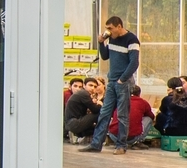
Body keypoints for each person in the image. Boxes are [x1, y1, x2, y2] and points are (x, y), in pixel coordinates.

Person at [79, 16, 140, 155]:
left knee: (122, 115)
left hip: (122, 82)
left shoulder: (131, 40)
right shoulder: (112, 38)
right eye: (107, 28)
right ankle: (96, 144)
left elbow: (134, 63)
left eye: (110, 28)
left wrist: (122, 79)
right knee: (104, 113)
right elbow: (105, 56)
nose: (108, 31)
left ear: (119, 26)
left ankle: (121, 145)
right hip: (112, 81)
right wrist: (101, 43)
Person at [107, 85, 154, 150]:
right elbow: (151, 116)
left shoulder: (120, 100)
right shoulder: (143, 102)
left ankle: (116, 141)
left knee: (111, 118)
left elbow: (111, 114)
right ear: (139, 94)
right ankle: (138, 142)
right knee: (148, 119)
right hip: (133, 138)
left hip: (114, 136)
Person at [64, 77, 102, 144]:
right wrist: (100, 104)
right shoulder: (84, 94)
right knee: (100, 113)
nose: (92, 88)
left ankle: (77, 135)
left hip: (72, 123)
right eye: (90, 85)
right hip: (74, 123)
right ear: (84, 85)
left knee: (94, 128)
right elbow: (95, 110)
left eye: (95, 87)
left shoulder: (81, 93)